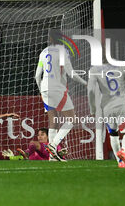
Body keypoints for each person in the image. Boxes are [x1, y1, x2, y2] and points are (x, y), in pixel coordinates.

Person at [35, 28, 87, 161]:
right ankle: (53, 144)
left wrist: (41, 91)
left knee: (53, 121)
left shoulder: (44, 52)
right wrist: (86, 83)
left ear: (50, 39)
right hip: (57, 88)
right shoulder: (63, 51)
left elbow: (37, 75)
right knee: (72, 119)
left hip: (45, 88)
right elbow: (71, 73)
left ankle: (52, 157)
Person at [88, 63, 125, 168]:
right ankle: (123, 152)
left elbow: (90, 90)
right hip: (121, 104)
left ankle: (120, 162)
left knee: (113, 133)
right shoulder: (122, 66)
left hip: (106, 107)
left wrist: (92, 109)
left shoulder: (95, 69)